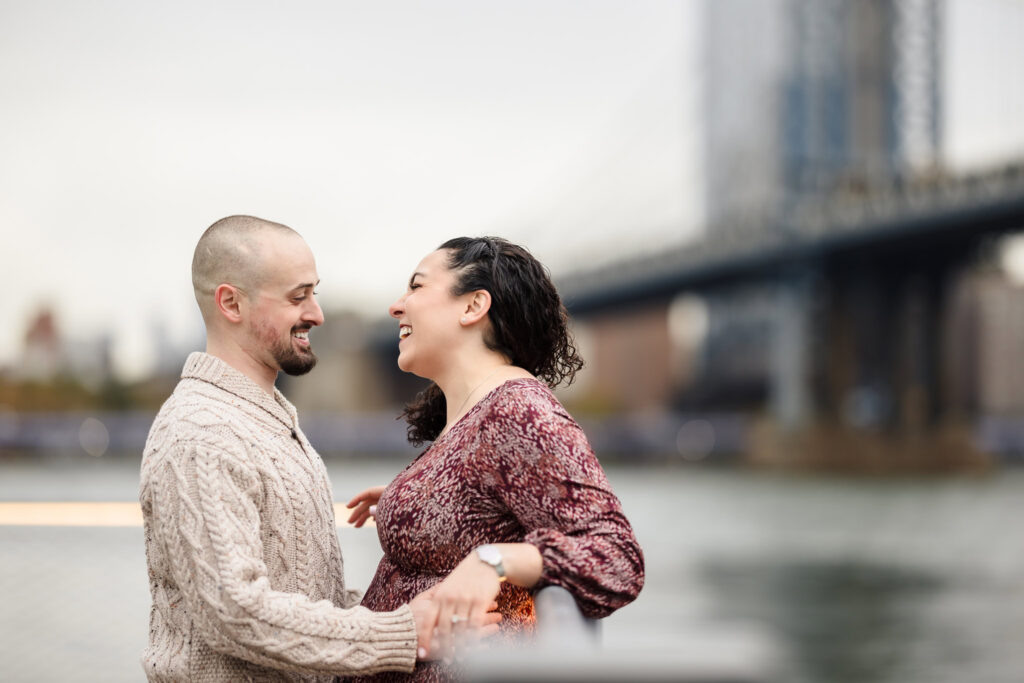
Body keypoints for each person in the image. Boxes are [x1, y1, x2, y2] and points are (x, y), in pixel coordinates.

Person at [139, 216, 493, 682]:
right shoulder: (201, 431)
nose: (316, 314)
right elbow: (234, 613)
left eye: (314, 293)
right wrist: (404, 634)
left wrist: (486, 603)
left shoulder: (263, 420)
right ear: (231, 303)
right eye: (297, 296)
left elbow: (309, 600)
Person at [346, 236, 645, 682]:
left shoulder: (518, 411)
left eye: (416, 287)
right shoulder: (475, 414)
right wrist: (415, 498)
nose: (396, 306)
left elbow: (617, 558)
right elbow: (487, 501)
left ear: (473, 307)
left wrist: (494, 559)